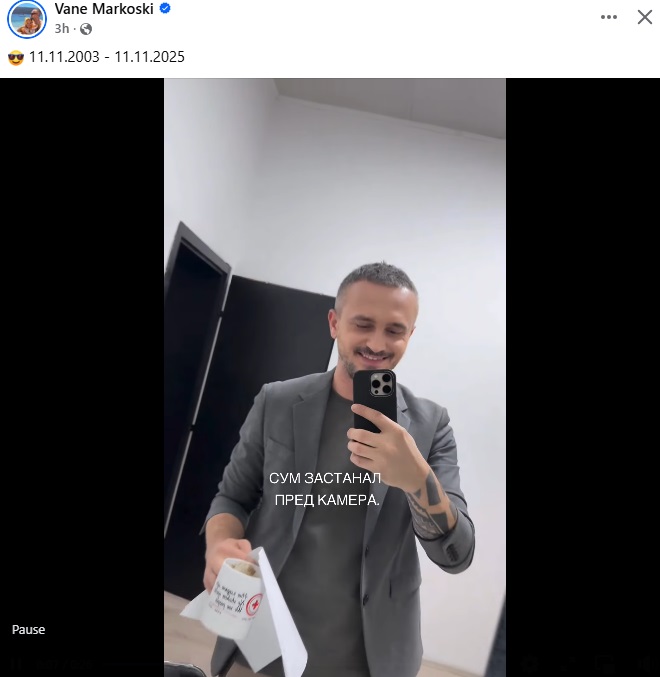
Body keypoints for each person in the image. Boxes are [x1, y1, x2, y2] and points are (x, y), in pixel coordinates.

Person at [201, 262, 476, 677]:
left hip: (369, 660)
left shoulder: (430, 426)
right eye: (363, 324)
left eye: (394, 330)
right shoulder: (277, 402)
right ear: (334, 323)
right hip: (260, 643)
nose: (377, 343)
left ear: (410, 335)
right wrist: (219, 544)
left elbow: (457, 556)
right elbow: (232, 497)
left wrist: (417, 479)